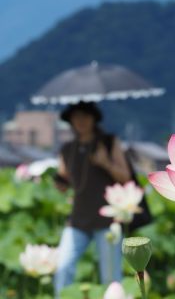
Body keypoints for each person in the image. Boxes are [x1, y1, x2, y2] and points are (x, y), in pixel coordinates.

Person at [54, 101, 131, 298]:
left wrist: (105, 163)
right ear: (70, 121)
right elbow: (62, 184)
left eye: (85, 116)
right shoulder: (67, 149)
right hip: (78, 219)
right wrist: (59, 180)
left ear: (93, 118)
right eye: (76, 117)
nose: (80, 121)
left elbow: (126, 177)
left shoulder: (108, 142)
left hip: (108, 220)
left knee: (110, 279)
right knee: (62, 267)